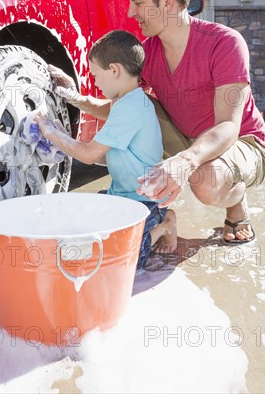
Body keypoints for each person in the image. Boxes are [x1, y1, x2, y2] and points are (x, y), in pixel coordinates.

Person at [50, 0, 265, 245]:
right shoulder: (148, 52)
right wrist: (74, 97)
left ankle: (237, 199)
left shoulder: (225, 44)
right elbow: (121, 108)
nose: (130, 12)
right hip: (186, 137)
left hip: (241, 141)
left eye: (137, 2)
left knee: (204, 182)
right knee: (136, 103)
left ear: (167, 2)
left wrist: (185, 160)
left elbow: (228, 126)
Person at [34, 30, 177, 269]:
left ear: (114, 70)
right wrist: (71, 96)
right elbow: (103, 151)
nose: (95, 81)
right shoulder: (128, 100)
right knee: (88, 228)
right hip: (122, 197)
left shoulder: (130, 108)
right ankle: (155, 223)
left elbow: (89, 155)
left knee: (127, 260)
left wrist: (52, 133)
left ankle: (164, 224)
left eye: (96, 75)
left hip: (144, 204)